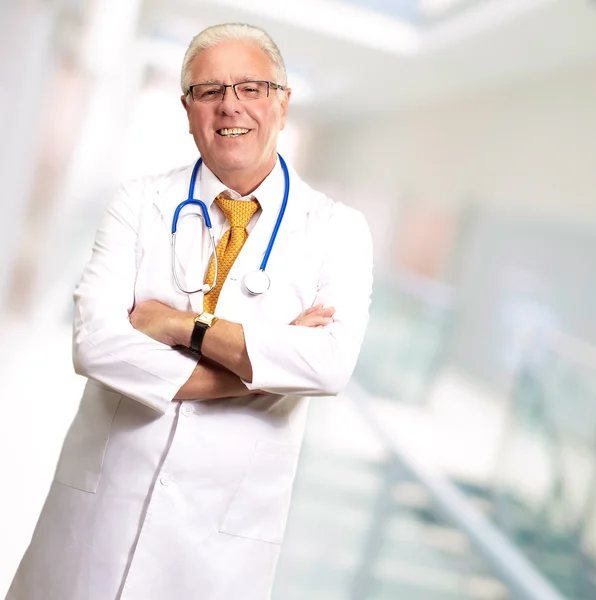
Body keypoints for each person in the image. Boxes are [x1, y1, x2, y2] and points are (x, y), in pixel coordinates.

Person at [6, 22, 373, 600]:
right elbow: (95, 344)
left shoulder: (338, 231)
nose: (231, 105)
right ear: (187, 108)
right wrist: (262, 368)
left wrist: (181, 325)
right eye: (209, 91)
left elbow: (326, 366)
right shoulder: (139, 202)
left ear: (282, 102)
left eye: (251, 88)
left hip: (217, 548)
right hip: (97, 523)